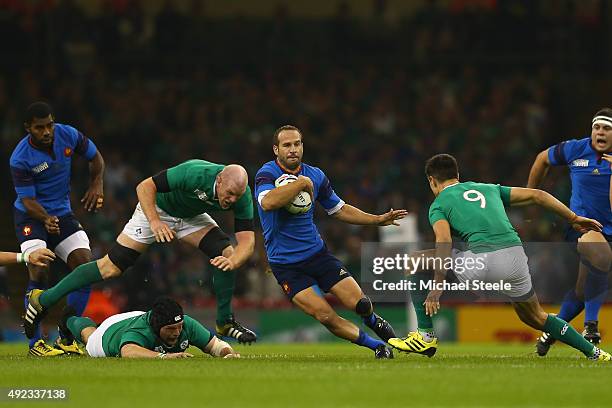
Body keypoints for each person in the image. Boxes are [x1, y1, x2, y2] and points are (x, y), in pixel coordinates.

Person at [388, 153, 611, 361]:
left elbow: (444, 240)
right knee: (535, 316)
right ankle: (595, 353)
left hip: (483, 262)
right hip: (515, 258)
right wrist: (573, 217)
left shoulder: (439, 204)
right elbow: (538, 195)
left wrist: (437, 286)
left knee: (414, 260)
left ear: (431, 181)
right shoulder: (488, 189)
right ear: (458, 176)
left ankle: (425, 336)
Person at [24, 159, 258, 344]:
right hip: (156, 208)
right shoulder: (193, 172)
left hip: (190, 217)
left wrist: (236, 260)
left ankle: (224, 322)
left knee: (227, 255)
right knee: (110, 268)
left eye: (237, 196)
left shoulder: (241, 195)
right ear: (218, 180)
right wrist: (155, 222)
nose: (232, 200)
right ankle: (43, 299)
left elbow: (247, 240)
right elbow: (145, 186)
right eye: (229, 193)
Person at [255, 125, 407, 359]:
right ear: (276, 149)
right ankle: (376, 346)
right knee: (325, 316)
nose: (293, 149)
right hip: (286, 266)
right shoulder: (266, 174)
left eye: (297, 144)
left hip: (318, 256)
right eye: (287, 145)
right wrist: (299, 184)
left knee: (360, 304)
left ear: (302, 146)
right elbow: (267, 203)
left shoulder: (316, 175)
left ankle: (372, 320)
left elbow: (338, 209)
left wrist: (376, 220)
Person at [10, 101, 105, 357]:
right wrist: (45, 218)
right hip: (30, 217)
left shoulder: (68, 134)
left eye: (49, 125)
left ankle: (66, 337)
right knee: (40, 270)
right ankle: (36, 345)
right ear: (28, 128)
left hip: (62, 214)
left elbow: (95, 157)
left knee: (86, 268)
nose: (47, 131)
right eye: (40, 127)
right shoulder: (20, 158)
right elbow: (28, 200)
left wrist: (96, 183)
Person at [527, 108, 612, 355]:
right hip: (583, 226)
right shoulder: (576, 149)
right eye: (597, 127)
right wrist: (531, 194)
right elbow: (542, 158)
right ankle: (591, 326)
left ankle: (551, 330)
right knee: (602, 256)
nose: (600, 132)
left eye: (606, 128)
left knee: (582, 290)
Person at [56, 297, 239, 359]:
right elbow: (128, 351)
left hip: (135, 315)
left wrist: (227, 353)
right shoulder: (142, 330)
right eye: (171, 329)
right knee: (90, 337)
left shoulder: (185, 324)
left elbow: (214, 345)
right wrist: (165, 357)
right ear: (157, 326)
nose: (177, 332)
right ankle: (68, 321)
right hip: (109, 334)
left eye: (178, 327)